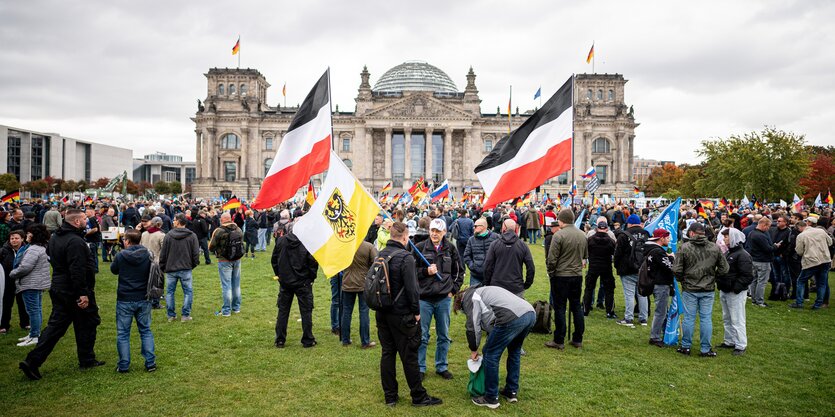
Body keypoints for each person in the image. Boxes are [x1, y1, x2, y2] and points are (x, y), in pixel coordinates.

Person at [20, 209, 105, 380]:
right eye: (83, 219)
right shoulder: (75, 241)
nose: (85, 221)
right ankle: (86, 358)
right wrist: (83, 293)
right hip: (73, 288)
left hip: (59, 286)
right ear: (76, 222)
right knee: (87, 322)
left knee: (57, 326)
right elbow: (77, 269)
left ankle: (33, 361)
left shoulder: (56, 238)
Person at [375, 222, 442, 407]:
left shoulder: (380, 254)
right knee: (409, 355)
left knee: (387, 353)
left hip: (382, 311)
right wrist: (416, 312)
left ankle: (390, 396)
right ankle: (418, 396)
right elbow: (413, 290)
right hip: (401, 313)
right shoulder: (406, 258)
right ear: (405, 237)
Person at [456, 285, 535, 409]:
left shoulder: (471, 298)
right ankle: (511, 391)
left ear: (461, 300)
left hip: (511, 317)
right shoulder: (485, 291)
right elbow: (492, 320)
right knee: (514, 351)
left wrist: (473, 349)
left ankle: (491, 397)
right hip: (529, 313)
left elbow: (473, 325)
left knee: (490, 353)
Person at [412, 218, 463, 381]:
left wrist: (453, 290)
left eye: (438, 231)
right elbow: (411, 272)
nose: (434, 234)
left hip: (443, 299)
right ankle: (420, 367)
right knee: (422, 335)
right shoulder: (420, 248)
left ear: (444, 233)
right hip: (424, 299)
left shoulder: (451, 249)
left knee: (444, 335)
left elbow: (459, 271)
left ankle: (442, 366)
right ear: (429, 231)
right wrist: (426, 271)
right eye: (432, 230)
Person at [672, 222, 729, 357]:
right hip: (706, 288)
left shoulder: (685, 247)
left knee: (689, 318)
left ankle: (686, 346)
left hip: (691, 288)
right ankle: (705, 348)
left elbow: (676, 269)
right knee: (705, 318)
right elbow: (725, 268)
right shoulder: (714, 248)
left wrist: (683, 279)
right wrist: (713, 277)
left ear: (691, 233)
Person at [109, 229, 156, 373]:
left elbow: (114, 269)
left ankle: (124, 365)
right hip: (143, 296)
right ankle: (150, 363)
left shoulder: (122, 255)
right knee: (145, 330)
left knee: (123, 333)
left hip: (126, 298)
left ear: (127, 241)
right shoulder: (147, 254)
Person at [545, 209, 588, 350]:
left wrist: (551, 272)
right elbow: (585, 256)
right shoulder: (582, 235)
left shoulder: (559, 235)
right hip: (576, 275)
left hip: (561, 276)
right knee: (576, 306)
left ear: (562, 220)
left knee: (560, 307)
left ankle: (559, 339)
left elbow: (552, 259)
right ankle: (578, 338)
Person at [271, 220, 318, 348]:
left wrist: (310, 278)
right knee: (294, 310)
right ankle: (282, 339)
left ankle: (304, 338)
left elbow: (312, 262)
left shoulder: (306, 242)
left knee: (294, 310)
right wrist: (279, 275)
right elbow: (274, 259)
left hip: (299, 282)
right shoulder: (282, 241)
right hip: (292, 281)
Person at [10, 224, 51, 346]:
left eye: (29, 233)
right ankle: (34, 333)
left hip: (31, 283)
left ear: (34, 235)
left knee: (33, 310)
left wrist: (13, 273)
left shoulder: (33, 249)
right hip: (36, 282)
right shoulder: (41, 247)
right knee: (36, 309)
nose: (27, 235)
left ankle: (34, 335)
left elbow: (25, 267)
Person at [716, 228, 753, 355]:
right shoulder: (729, 253)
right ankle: (729, 340)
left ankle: (741, 344)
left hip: (734, 291)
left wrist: (736, 287)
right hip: (726, 289)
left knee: (737, 318)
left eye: (727, 236)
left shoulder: (742, 255)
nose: (724, 238)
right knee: (727, 317)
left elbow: (747, 275)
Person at [159, 214, 200, 322]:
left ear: (179, 222)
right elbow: (163, 254)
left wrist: (192, 265)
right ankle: (174, 315)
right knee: (181, 292)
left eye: (174, 220)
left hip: (180, 268)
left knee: (174, 292)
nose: (173, 221)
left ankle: (181, 315)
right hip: (176, 268)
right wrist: (163, 265)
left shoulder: (191, 235)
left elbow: (196, 254)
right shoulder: (169, 235)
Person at [614, 214, 650, 327]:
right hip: (643, 268)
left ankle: (628, 318)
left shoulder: (623, 235)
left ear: (629, 223)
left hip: (627, 268)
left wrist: (617, 266)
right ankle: (643, 318)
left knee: (629, 294)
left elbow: (617, 253)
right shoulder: (646, 234)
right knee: (642, 294)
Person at [483, 219, 535, 298]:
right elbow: (530, 267)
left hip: (506, 286)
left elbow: (488, 266)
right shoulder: (522, 245)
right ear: (515, 229)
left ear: (503, 228)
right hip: (508, 286)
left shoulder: (495, 244)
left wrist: (527, 284)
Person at [789, 217, 833, 309]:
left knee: (801, 281)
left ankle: (799, 302)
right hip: (825, 260)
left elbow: (799, 251)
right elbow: (830, 242)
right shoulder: (821, 231)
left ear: (800, 228)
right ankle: (818, 304)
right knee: (822, 283)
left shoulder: (801, 236)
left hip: (811, 261)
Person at [340, 240, 377, 348]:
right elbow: (376, 262)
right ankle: (365, 341)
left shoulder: (345, 246)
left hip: (347, 281)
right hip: (363, 282)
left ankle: (345, 340)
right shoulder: (368, 246)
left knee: (346, 311)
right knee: (364, 312)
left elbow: (339, 262)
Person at [643, 229, 675, 346]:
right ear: (661, 238)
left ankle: (662, 333)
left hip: (656, 282)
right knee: (660, 312)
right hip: (661, 283)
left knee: (662, 311)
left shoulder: (652, 250)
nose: (669, 240)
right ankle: (655, 337)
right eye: (667, 238)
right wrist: (671, 257)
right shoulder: (657, 252)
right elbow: (670, 266)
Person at [209, 213, 243, 317]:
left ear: (223, 219)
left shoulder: (219, 231)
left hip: (224, 260)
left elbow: (211, 247)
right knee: (236, 284)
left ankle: (226, 311)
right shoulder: (238, 229)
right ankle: (236, 308)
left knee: (226, 286)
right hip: (237, 259)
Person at [583, 219, 616, 318]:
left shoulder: (591, 239)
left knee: (589, 288)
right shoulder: (611, 241)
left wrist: (585, 259)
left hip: (593, 266)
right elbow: (615, 253)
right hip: (606, 266)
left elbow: (585, 251)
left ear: (597, 229)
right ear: (606, 229)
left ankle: (585, 310)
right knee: (609, 289)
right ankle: (609, 311)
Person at [1, 230, 30, 333]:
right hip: (8, 281)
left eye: (16, 238)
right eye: (12, 238)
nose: (14, 240)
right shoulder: (3, 251)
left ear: (22, 239)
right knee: (6, 303)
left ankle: (25, 323)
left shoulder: (27, 250)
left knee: (23, 303)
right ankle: (4, 325)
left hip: (23, 281)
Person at [462, 217, 499, 287]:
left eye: (475, 226)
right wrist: (472, 266)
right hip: (476, 276)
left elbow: (501, 254)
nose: (473, 228)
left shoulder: (496, 237)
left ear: (483, 227)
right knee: (475, 297)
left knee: (490, 297)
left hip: (492, 275)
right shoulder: (471, 240)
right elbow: (466, 255)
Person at [747, 217, 775, 307]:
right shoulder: (761, 236)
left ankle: (754, 299)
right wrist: (775, 246)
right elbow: (768, 249)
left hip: (754, 260)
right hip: (763, 261)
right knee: (762, 282)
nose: (768, 229)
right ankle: (759, 301)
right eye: (768, 226)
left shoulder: (752, 233)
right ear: (763, 225)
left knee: (754, 280)